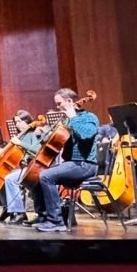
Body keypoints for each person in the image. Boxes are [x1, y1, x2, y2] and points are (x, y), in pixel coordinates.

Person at [29, 88, 100, 232]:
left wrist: (73, 117)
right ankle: (44, 216)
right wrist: (43, 134)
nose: (57, 107)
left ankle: (56, 221)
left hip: (85, 164)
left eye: (59, 103)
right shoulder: (66, 120)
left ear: (69, 101)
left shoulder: (89, 117)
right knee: (35, 175)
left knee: (46, 176)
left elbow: (86, 135)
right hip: (71, 164)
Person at [0, 110, 42, 224]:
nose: (17, 124)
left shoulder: (33, 134)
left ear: (27, 121)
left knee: (10, 179)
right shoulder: (20, 136)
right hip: (23, 168)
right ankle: (7, 207)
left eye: (19, 121)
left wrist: (20, 143)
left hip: (33, 168)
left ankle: (19, 212)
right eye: (15, 122)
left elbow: (37, 150)